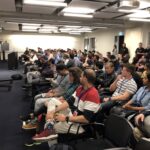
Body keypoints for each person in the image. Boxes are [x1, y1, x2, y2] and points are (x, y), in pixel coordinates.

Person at [32, 69, 100, 141]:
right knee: (52, 101)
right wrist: (53, 111)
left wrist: (66, 118)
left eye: (81, 76)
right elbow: (69, 102)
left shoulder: (93, 94)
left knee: (53, 127)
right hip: (73, 115)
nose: (79, 78)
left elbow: (86, 119)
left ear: (85, 78)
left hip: (80, 125)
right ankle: (49, 126)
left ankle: (52, 139)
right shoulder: (80, 88)